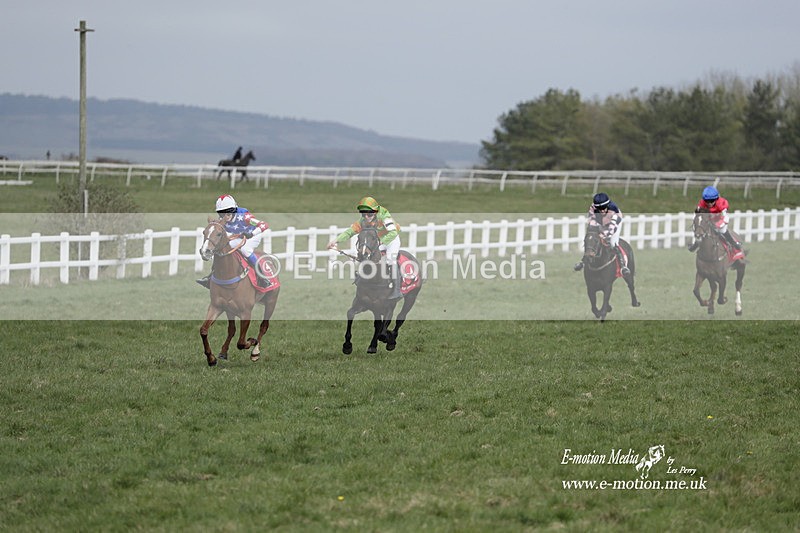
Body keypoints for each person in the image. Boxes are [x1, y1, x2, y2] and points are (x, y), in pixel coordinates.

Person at [327, 196, 403, 299]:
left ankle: (397, 290)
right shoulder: (362, 221)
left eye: (369, 214)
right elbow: (350, 232)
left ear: (375, 212)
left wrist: (381, 241)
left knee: (390, 259)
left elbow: (393, 233)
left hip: (391, 239)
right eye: (363, 214)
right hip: (378, 240)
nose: (366, 217)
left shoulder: (384, 216)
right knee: (367, 256)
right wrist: (335, 241)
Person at [196, 194, 271, 288]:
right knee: (222, 248)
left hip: (253, 236)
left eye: (228, 212)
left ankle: (263, 277)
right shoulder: (222, 219)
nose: (225, 216)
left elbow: (264, 225)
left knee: (245, 250)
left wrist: (252, 234)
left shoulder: (245, 217)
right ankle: (210, 276)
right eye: (222, 213)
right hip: (239, 236)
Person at [574, 192, 630, 276]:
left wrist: (604, 235)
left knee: (613, 243)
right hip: (600, 223)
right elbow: (591, 220)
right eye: (599, 209)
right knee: (591, 239)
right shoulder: (593, 208)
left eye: (603, 208)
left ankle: (623, 267)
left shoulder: (614, 211)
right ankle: (583, 262)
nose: (602, 211)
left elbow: (611, 229)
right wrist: (594, 232)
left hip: (614, 224)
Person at [689, 186, 741, 251]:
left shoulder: (722, 203)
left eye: (712, 201)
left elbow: (725, 218)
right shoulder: (702, 203)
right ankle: (696, 243)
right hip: (709, 220)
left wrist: (718, 225)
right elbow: (697, 214)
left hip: (720, 220)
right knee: (700, 230)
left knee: (722, 231)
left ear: (716, 199)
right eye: (707, 201)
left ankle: (733, 243)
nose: (709, 203)